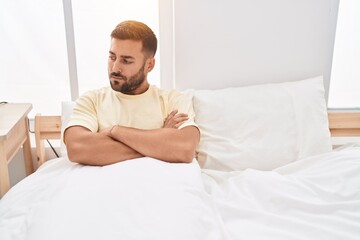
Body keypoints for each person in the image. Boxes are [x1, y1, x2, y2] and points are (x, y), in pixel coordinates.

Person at [63, 20, 200, 166]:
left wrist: (115, 131)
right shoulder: (92, 100)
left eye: (126, 61)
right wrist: (159, 143)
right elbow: (76, 148)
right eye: (112, 57)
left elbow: (185, 149)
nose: (115, 68)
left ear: (149, 65)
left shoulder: (173, 100)